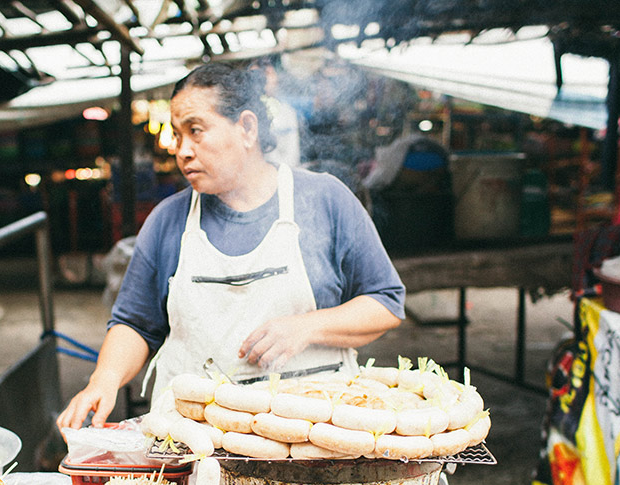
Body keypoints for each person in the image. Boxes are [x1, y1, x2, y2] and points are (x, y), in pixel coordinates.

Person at [57, 62, 405, 430]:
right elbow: (134, 323)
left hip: (310, 438)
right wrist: (104, 380)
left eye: (196, 131)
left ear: (247, 128)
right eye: (177, 135)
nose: (182, 151)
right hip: (193, 440)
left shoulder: (324, 199)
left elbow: (385, 303)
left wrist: (307, 327)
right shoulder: (168, 220)